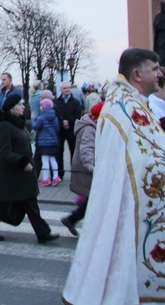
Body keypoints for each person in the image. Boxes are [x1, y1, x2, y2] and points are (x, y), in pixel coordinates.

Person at [62, 48, 165, 305]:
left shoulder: (133, 104)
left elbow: (149, 153)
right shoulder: (123, 109)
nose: (160, 74)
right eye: (155, 69)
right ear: (138, 74)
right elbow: (137, 165)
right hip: (128, 211)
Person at [0, 94, 59, 244]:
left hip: (23, 173)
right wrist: (22, 162)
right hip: (9, 174)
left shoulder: (19, 124)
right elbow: (4, 152)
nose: (24, 107)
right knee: (0, 204)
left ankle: (43, 233)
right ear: (12, 108)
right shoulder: (4, 126)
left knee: (30, 203)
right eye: (21, 104)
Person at [61, 101, 103, 237]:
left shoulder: (93, 125)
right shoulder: (90, 128)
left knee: (94, 199)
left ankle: (72, 219)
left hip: (90, 168)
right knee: (96, 199)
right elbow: (86, 150)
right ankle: (77, 221)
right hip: (88, 170)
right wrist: (93, 167)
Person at [54, 81, 82, 178]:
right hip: (60, 130)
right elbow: (56, 114)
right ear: (61, 90)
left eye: (68, 88)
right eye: (64, 88)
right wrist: (62, 122)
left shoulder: (76, 102)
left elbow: (78, 114)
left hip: (72, 129)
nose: (67, 90)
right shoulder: (56, 102)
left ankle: (74, 173)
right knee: (59, 151)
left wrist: (68, 121)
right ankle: (59, 173)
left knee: (73, 151)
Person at [32, 98, 60, 186]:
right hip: (53, 141)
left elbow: (36, 126)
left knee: (44, 160)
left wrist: (33, 119)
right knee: (52, 159)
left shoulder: (41, 117)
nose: (40, 107)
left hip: (44, 142)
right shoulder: (54, 117)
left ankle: (45, 178)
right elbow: (57, 128)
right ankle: (55, 177)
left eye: (41, 105)